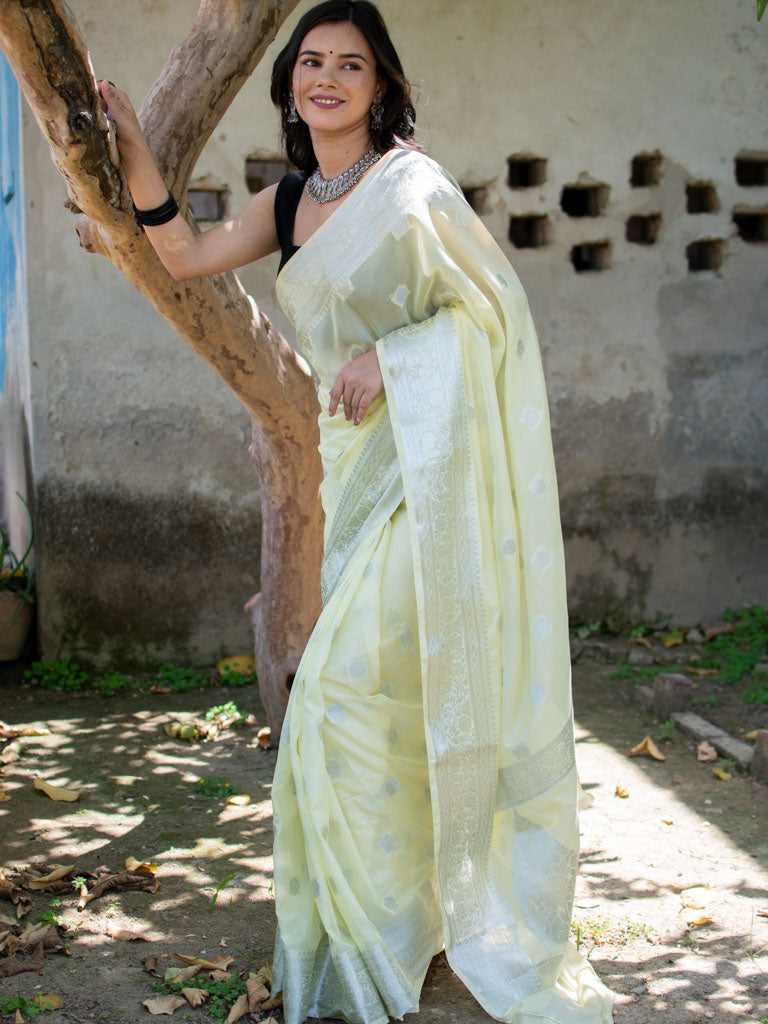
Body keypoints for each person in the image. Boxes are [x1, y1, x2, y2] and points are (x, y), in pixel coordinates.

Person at [99, 2, 615, 1021]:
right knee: (376, 701)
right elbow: (188, 257)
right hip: (362, 469)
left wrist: (400, 354)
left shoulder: (412, 188)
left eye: (351, 64)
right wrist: (133, 156)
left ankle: (397, 929)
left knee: (336, 699)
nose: (327, 79)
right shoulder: (289, 201)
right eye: (311, 63)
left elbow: (494, 311)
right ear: (290, 80)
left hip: (437, 470)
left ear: (382, 87)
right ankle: (382, 923)